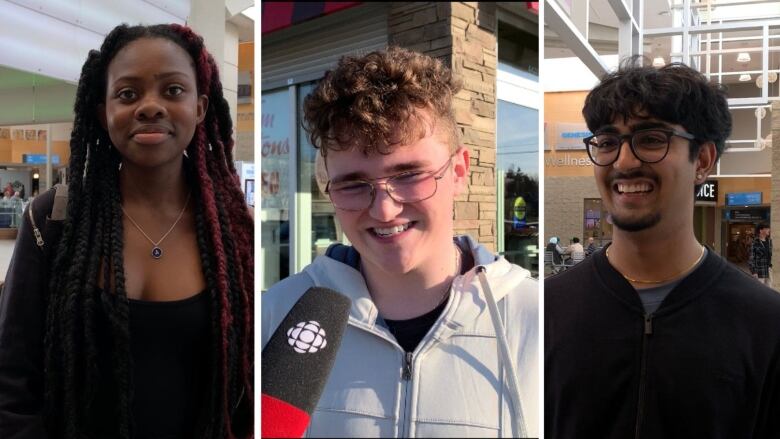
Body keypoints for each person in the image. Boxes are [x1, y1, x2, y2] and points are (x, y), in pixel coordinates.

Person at [262, 47, 539, 437]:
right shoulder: (277, 315)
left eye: (409, 175)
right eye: (354, 184)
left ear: (459, 172)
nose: (385, 210)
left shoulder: (537, 322)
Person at [0, 24, 253, 438]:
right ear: (103, 113)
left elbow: (246, 388)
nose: (150, 107)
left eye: (173, 91)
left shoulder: (231, 228)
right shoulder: (56, 219)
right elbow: (12, 383)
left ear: (201, 107)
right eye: (128, 94)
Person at [545, 58, 780, 438]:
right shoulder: (547, 312)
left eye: (651, 139)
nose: (624, 161)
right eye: (607, 142)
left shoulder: (765, 325)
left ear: (702, 160)